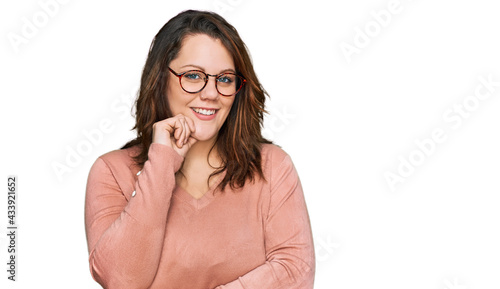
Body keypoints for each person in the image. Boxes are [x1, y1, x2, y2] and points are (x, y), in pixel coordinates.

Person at [84, 9, 315, 289]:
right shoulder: (112, 172)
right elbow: (121, 280)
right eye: (194, 76)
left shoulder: (272, 167)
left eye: (225, 79)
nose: (211, 93)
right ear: (160, 79)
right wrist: (161, 162)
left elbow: (295, 271)